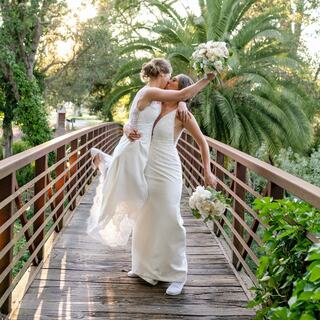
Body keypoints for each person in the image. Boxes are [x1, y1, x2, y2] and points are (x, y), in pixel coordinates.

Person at [87, 58, 214, 248]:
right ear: (162, 74)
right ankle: (105, 165)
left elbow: (179, 97)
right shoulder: (150, 92)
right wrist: (208, 78)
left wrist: (182, 103)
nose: (169, 81)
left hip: (142, 151)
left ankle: (107, 166)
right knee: (134, 193)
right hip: (134, 147)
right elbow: (182, 92)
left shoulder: (159, 99)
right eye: (169, 77)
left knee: (135, 192)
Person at [126, 74, 217, 295]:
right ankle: (144, 268)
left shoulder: (183, 113)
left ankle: (178, 275)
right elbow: (134, 116)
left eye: (174, 78)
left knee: (170, 219)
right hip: (147, 168)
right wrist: (127, 127)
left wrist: (207, 170)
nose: (169, 79)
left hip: (168, 171)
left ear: (182, 88)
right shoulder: (155, 104)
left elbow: (203, 143)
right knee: (146, 217)